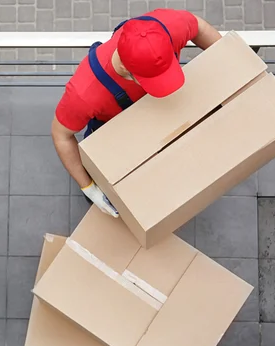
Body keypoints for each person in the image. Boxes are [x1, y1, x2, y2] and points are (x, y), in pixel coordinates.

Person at [51, 8, 222, 217]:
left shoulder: (168, 26)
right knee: (109, 173)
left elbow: (199, 27)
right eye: (153, 80)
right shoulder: (85, 92)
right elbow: (61, 136)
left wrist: (229, 61)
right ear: (124, 67)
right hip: (111, 128)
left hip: (159, 113)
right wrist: (89, 187)